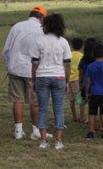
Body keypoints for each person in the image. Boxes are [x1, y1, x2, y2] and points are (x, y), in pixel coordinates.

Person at [2, 6, 52, 140]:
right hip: (33, 70)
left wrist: (8, 61)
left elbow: (7, 48)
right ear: (42, 18)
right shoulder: (41, 30)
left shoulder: (17, 26)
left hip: (15, 67)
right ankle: (35, 130)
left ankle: (18, 131)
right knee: (35, 101)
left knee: (18, 100)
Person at [30, 13, 72, 149]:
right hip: (59, 77)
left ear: (47, 26)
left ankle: (44, 140)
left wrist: (33, 80)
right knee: (58, 109)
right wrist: (67, 81)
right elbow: (67, 64)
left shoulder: (39, 41)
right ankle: (58, 141)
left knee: (42, 109)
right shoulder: (63, 42)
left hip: (42, 76)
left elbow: (35, 63)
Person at [78, 38, 98, 126]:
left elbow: (81, 74)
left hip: (86, 85)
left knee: (91, 105)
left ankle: (91, 122)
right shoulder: (98, 60)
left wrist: (80, 85)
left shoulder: (83, 60)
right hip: (97, 84)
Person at [67, 37, 85, 122]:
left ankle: (75, 116)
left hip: (69, 79)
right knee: (81, 99)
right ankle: (82, 117)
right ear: (82, 46)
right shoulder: (82, 56)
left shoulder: (68, 55)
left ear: (71, 46)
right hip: (77, 79)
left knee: (71, 99)